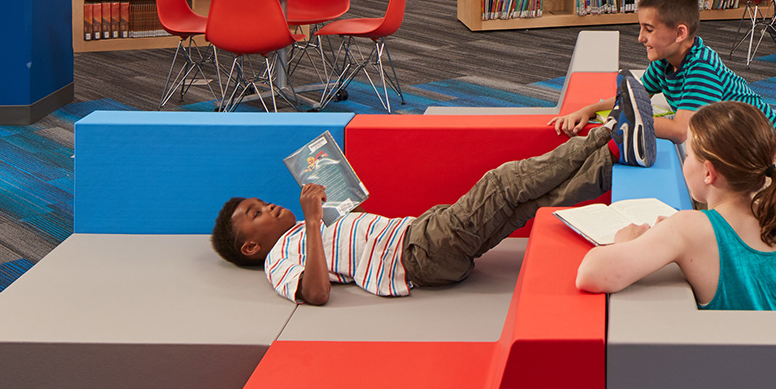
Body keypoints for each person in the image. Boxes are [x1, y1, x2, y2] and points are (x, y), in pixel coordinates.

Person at [211, 125, 622, 303]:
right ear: (251, 246)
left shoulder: (306, 226)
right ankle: (606, 135)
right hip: (419, 251)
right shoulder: (282, 257)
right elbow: (316, 293)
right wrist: (315, 221)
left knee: (524, 205)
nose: (268, 207)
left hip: (422, 235)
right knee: (502, 182)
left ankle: (607, 164)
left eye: (261, 203)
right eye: (256, 213)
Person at [553, 0, 776, 209]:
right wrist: (588, 109)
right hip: (725, 139)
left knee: (742, 210)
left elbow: (681, 130)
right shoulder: (665, 60)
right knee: (703, 195)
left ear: (680, 33)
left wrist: (627, 121)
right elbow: (635, 96)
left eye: (649, 29)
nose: (641, 38)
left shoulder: (701, 67)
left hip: (764, 145)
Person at [574, 102, 776, 311]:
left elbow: (590, 274)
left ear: (708, 173)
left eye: (688, 155)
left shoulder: (689, 228)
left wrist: (626, 242)